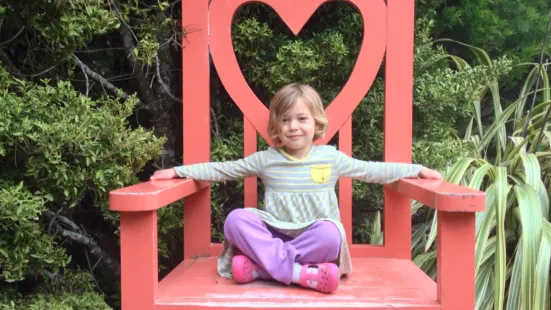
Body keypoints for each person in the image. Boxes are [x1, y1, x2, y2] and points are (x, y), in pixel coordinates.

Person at [150, 83, 442, 294]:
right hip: (276, 233)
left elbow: (374, 170)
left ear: (316, 123)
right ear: (276, 127)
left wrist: (415, 169)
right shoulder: (266, 160)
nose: (293, 127)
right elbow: (222, 169)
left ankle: (264, 269)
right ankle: (298, 274)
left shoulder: (331, 158)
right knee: (235, 220)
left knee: (332, 233)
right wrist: (178, 171)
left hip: (313, 240)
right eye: (285, 120)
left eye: (302, 119)